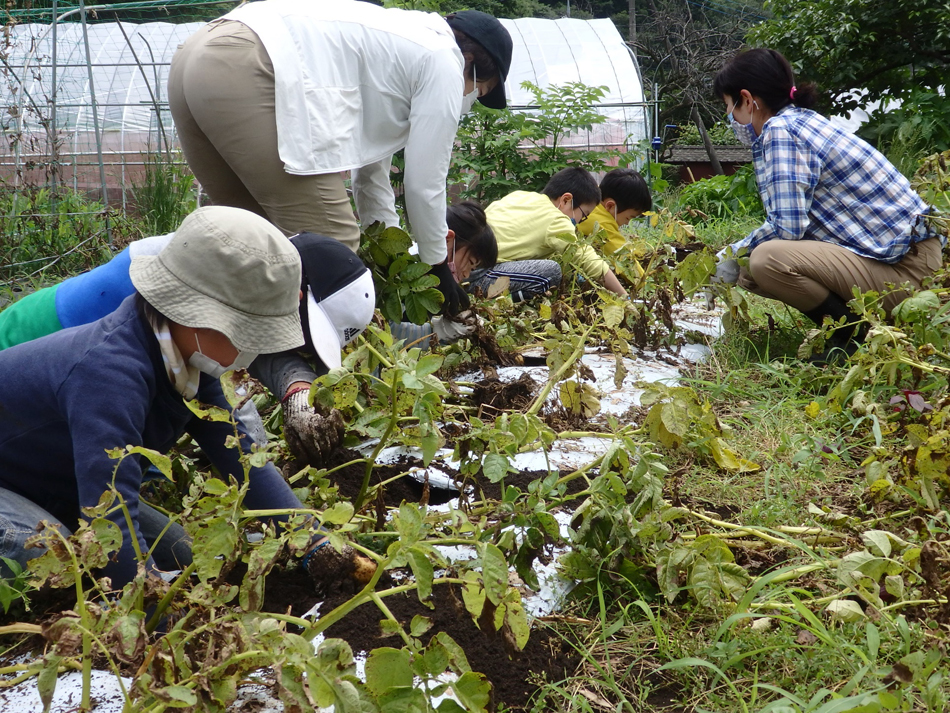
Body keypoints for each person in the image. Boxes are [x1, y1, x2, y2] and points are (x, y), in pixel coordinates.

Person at [0, 207, 373, 590]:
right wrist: (150, 625)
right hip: (14, 488)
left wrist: (313, 541)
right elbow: (110, 515)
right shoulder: (109, 374)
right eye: (247, 333)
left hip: (58, 485)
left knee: (183, 556)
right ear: (195, 315)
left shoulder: (185, 361)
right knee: (60, 557)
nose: (253, 350)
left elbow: (242, 462)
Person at [168, 0, 512, 317]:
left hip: (196, 55)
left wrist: (394, 257)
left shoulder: (402, 47)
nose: (469, 96)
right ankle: (322, 377)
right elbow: (425, 185)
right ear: (469, 63)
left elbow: (371, 177)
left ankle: (231, 358)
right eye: (478, 89)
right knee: (335, 252)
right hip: (252, 63)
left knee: (250, 239)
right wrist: (437, 267)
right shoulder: (443, 61)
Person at [0, 228, 376, 467]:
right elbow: (225, 401)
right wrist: (257, 457)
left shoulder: (241, 267)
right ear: (292, 293)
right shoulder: (178, 277)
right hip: (23, 354)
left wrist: (297, 391)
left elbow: (259, 351)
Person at [711, 48, 944, 364]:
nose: (732, 119)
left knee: (765, 259)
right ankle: (852, 329)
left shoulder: (780, 131)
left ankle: (851, 339)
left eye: (729, 108)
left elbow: (787, 229)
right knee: (751, 269)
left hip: (908, 270)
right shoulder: (802, 122)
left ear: (748, 100)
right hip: (914, 260)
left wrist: (728, 256)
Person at [473, 167, 629, 300]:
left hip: (464, 265)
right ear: (566, 200)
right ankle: (491, 302)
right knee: (551, 271)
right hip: (481, 277)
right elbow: (589, 260)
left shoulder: (520, 196)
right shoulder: (557, 218)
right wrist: (624, 298)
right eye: (584, 214)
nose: (581, 221)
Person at [390, 201, 497, 346]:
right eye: (470, 263)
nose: (466, 274)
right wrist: (438, 332)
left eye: (472, 270)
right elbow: (385, 331)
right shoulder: (403, 270)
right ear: (447, 240)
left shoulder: (433, 280)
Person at [577, 167, 652, 276]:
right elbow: (625, 261)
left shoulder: (594, 196)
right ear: (610, 205)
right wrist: (645, 282)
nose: (627, 223)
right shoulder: (601, 223)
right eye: (628, 218)